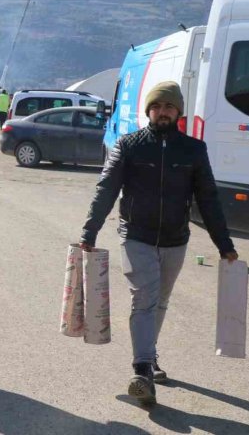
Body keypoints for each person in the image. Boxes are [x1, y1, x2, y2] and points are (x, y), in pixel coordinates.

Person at [79, 81, 238, 406]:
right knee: (144, 301)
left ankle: (149, 357)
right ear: (149, 110)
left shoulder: (194, 149)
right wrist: (89, 231)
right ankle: (142, 371)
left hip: (175, 240)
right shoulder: (129, 145)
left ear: (178, 111)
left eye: (169, 107)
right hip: (136, 236)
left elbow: (208, 198)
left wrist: (224, 244)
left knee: (160, 302)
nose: (163, 112)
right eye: (157, 106)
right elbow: (106, 188)